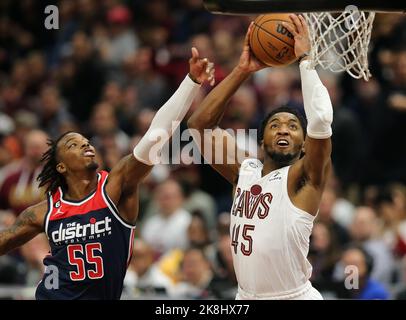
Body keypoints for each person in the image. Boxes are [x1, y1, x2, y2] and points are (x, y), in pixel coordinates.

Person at [0, 48, 215, 300]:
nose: (85, 144)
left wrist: (190, 83)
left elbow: (156, 134)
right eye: (73, 144)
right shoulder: (45, 211)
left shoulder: (115, 185)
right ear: (61, 166)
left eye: (85, 141)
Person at [188, 14, 331, 300]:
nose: (284, 130)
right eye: (275, 125)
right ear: (261, 140)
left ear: (305, 144)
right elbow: (199, 126)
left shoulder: (304, 178)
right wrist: (243, 70)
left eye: (293, 127)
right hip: (246, 296)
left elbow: (322, 119)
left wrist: (305, 61)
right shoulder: (244, 171)